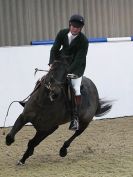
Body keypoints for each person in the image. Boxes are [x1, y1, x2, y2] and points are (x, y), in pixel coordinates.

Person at [49, 14, 89, 131]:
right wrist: (52, 63)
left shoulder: (83, 41)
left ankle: (75, 118)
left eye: (77, 27)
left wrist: (68, 72)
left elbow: (79, 59)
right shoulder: (62, 33)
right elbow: (55, 48)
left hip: (76, 67)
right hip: (61, 63)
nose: (74, 29)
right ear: (69, 25)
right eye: (73, 26)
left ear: (81, 28)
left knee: (76, 89)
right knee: (46, 79)